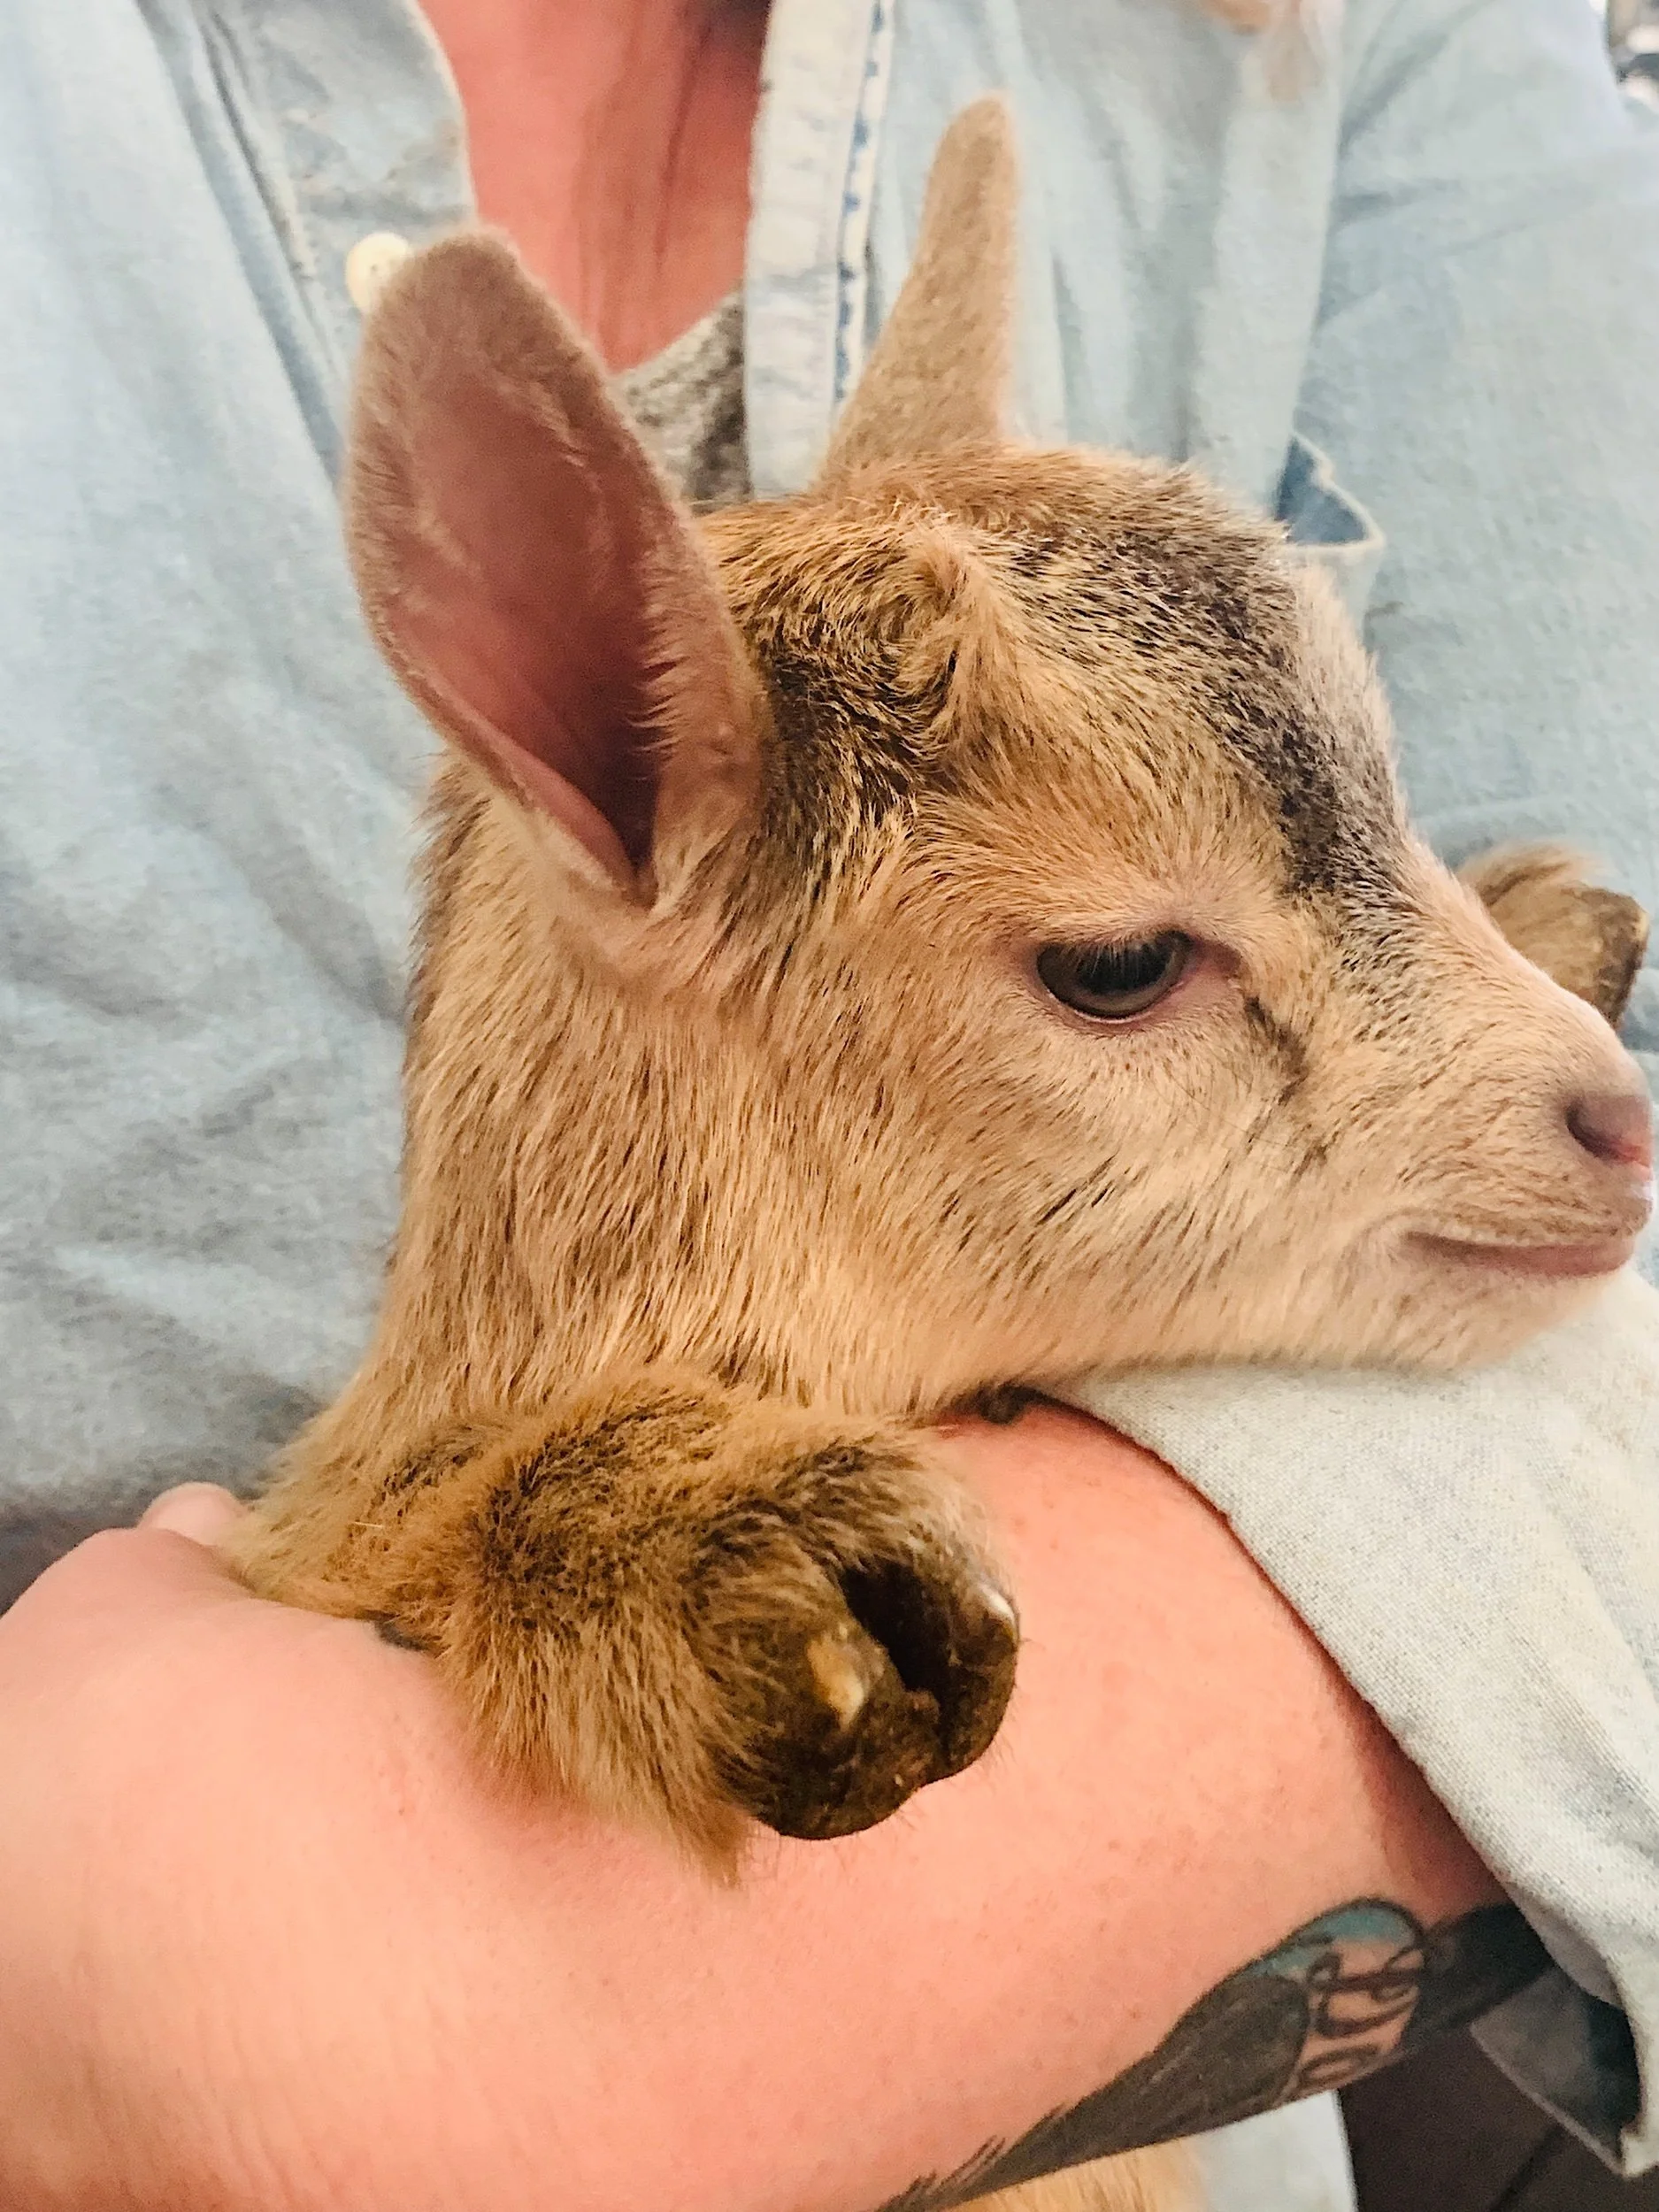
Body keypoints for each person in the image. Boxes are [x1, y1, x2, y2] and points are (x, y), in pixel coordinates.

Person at [1, 1, 1656, 2207]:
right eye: (1108, 962)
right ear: (587, 742)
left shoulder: (1375, 46)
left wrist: (421, 2001)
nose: (1594, 1097)